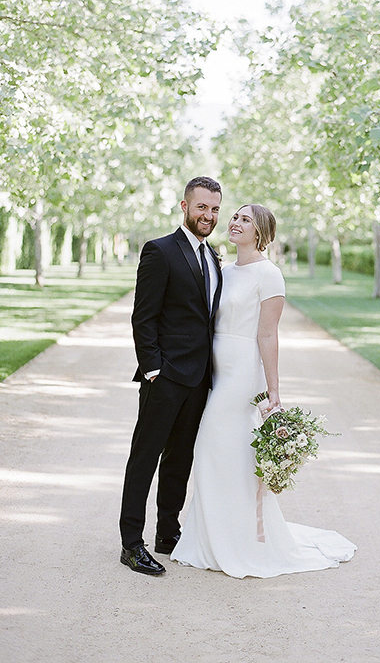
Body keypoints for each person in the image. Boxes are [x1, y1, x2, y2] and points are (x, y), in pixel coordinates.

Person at [171, 204, 357, 578]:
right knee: (217, 452)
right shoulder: (222, 269)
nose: (235, 223)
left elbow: (268, 334)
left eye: (245, 220)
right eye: (235, 217)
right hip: (213, 367)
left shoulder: (269, 275)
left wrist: (273, 391)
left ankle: (242, 540)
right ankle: (210, 536)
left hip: (241, 372)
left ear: (260, 233)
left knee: (215, 445)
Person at [119, 176, 222, 576]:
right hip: (165, 378)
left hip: (199, 379)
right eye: (201, 208)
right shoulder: (160, 251)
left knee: (180, 459)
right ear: (184, 207)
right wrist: (153, 370)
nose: (208, 216)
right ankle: (131, 544)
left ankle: (167, 533)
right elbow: (143, 317)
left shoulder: (212, 256)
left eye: (214, 209)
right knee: (145, 458)